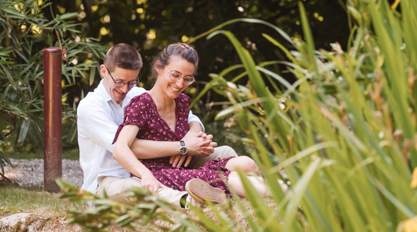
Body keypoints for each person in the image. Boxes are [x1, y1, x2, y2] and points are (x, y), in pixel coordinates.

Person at [77, 43, 237, 208]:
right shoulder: (90, 107)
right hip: (111, 181)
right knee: (136, 188)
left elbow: (192, 119)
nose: (125, 89)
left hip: (154, 168)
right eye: (119, 82)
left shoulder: (137, 94)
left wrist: (189, 137)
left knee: (225, 153)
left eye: (132, 82)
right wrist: (182, 147)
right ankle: (187, 200)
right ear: (104, 71)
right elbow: (123, 147)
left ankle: (238, 189)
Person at [112, 43, 272, 199]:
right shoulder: (142, 104)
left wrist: (197, 140)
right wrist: (146, 174)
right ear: (159, 68)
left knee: (247, 163)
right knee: (226, 178)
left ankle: (266, 191)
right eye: (175, 75)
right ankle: (285, 194)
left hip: (183, 168)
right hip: (158, 174)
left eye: (187, 78)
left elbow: (194, 126)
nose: (180, 84)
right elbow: (120, 148)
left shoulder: (182, 101)